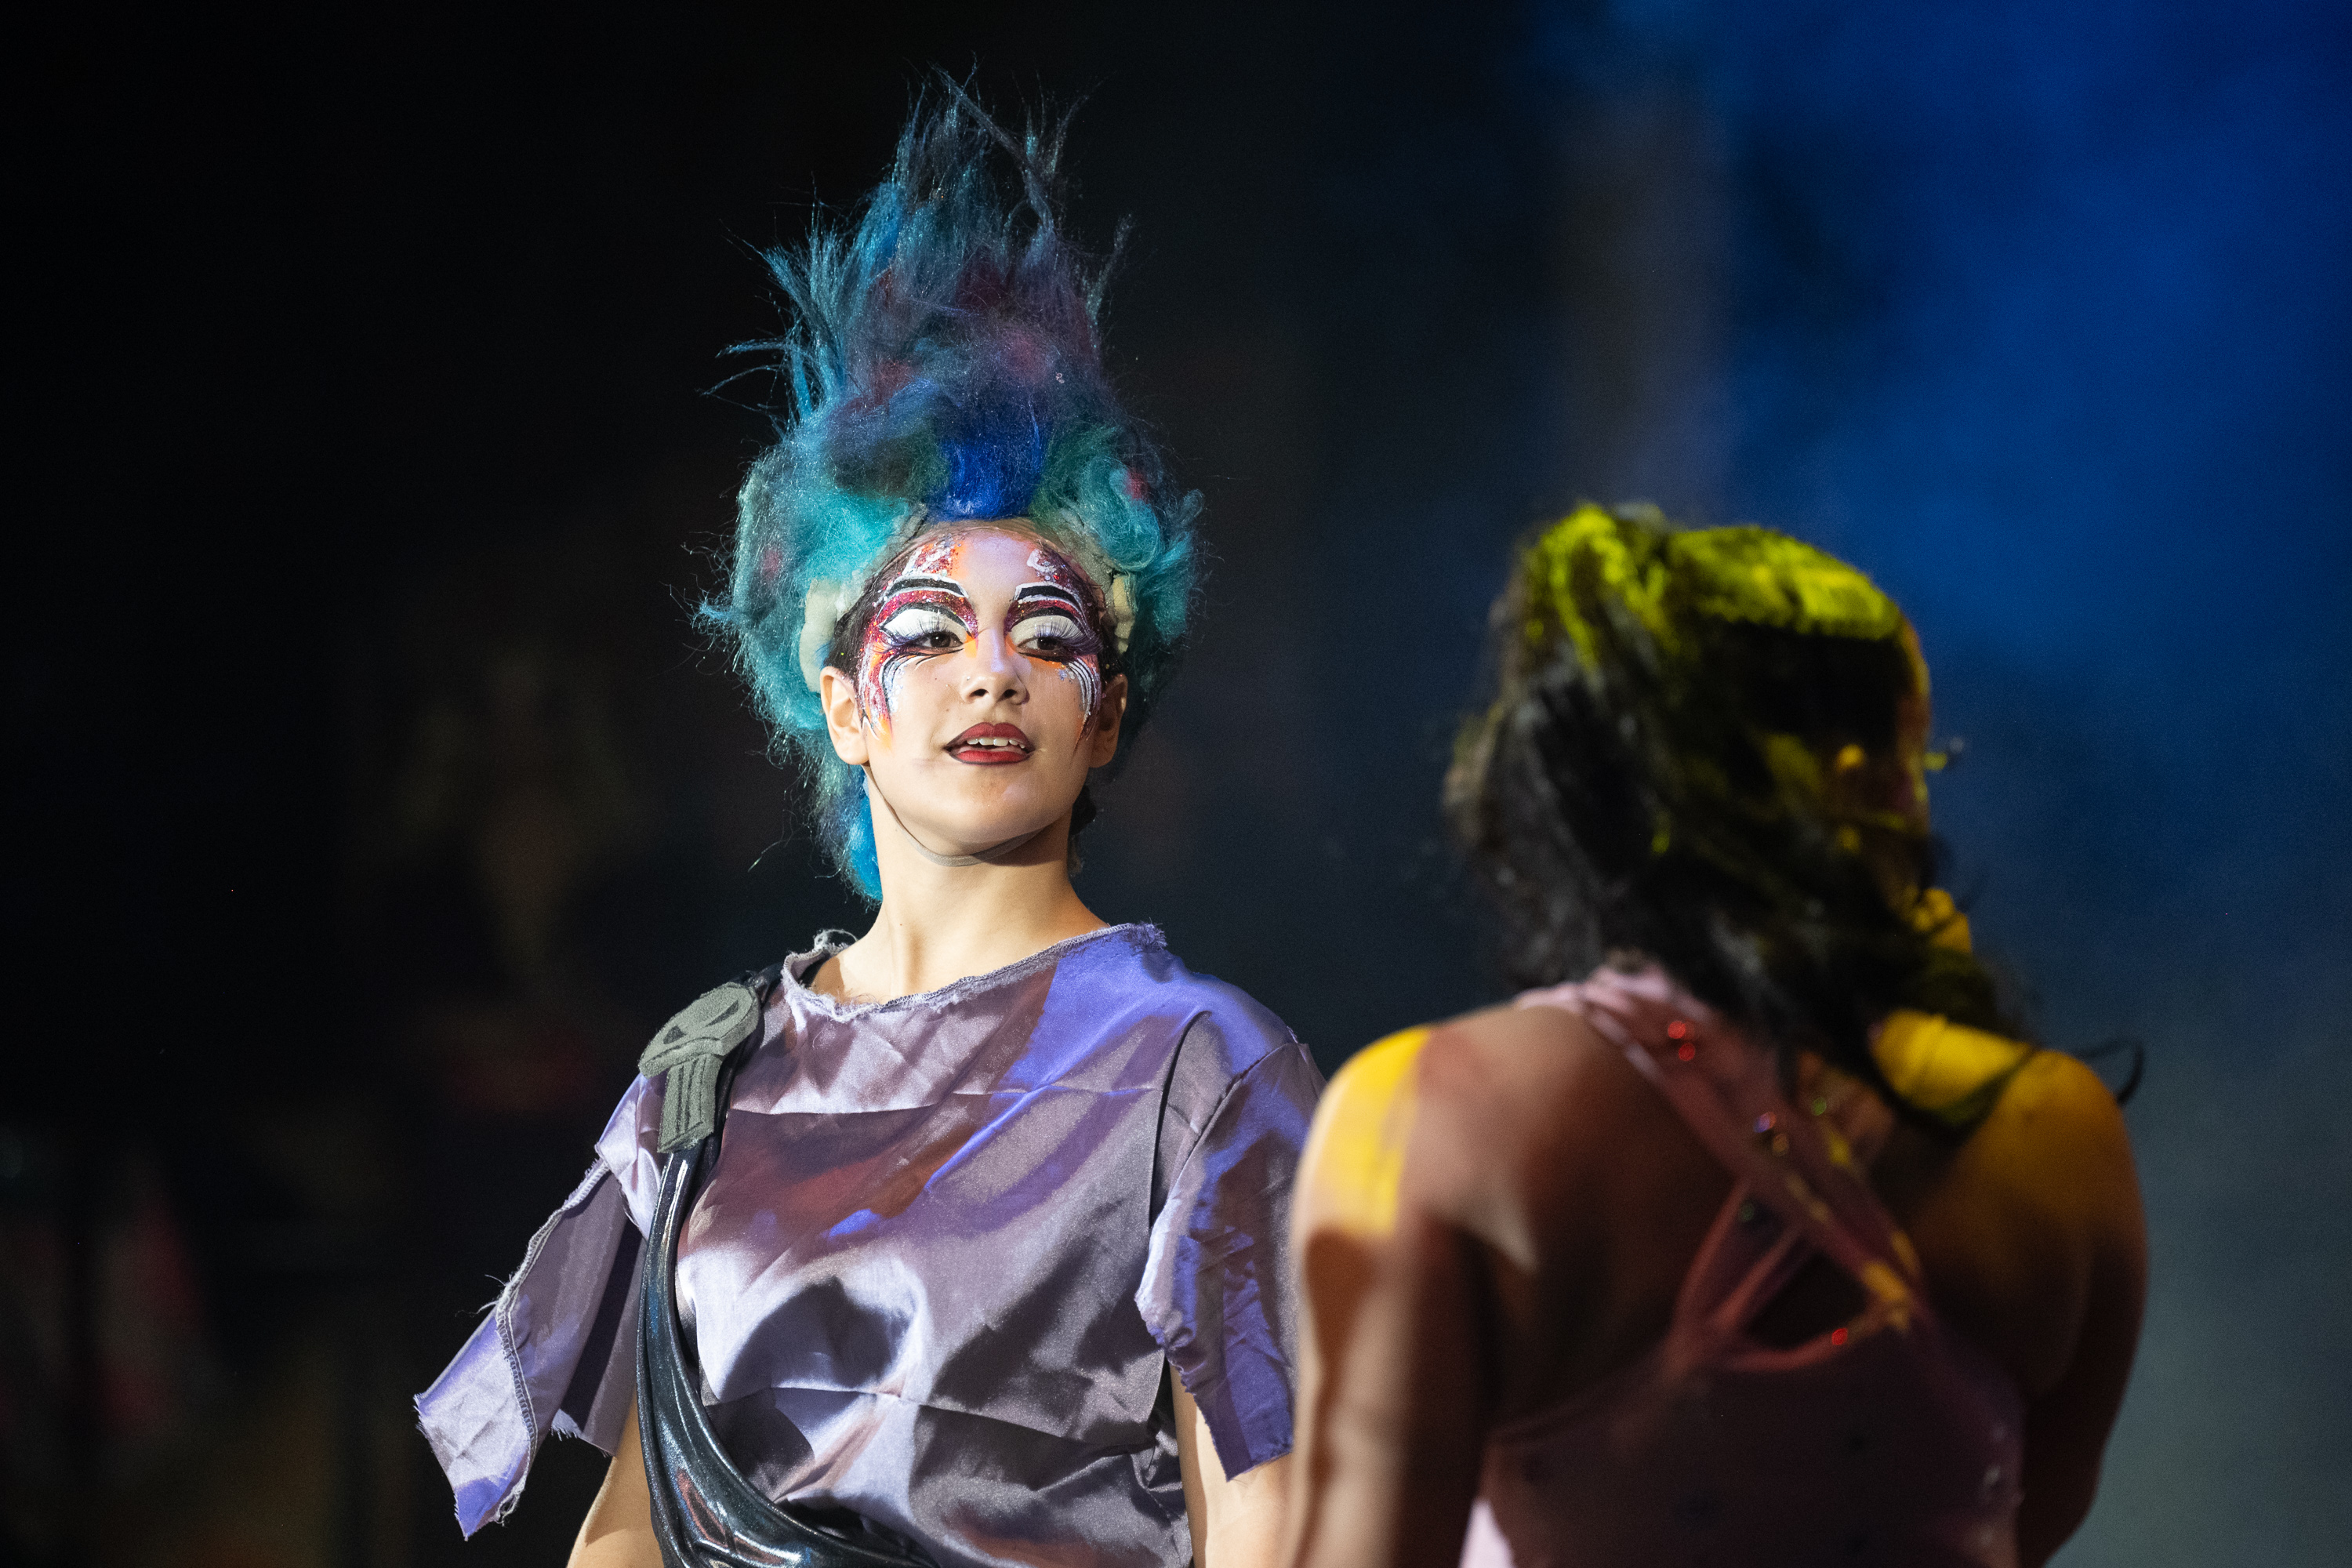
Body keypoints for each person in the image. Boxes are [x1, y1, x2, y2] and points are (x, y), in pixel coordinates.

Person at [416, 95, 1319, 1568]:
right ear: (840, 703)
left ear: (1105, 712)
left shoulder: (1198, 1069)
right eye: (932, 632)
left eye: (1049, 635)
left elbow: (1275, 1521)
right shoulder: (709, 1084)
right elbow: (630, 1530)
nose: (992, 674)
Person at [1285, 506, 2147, 1568]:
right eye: (1921, 760)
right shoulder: (2057, 1133)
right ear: (1865, 781)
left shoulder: (1432, 1115)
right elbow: (2028, 1520)